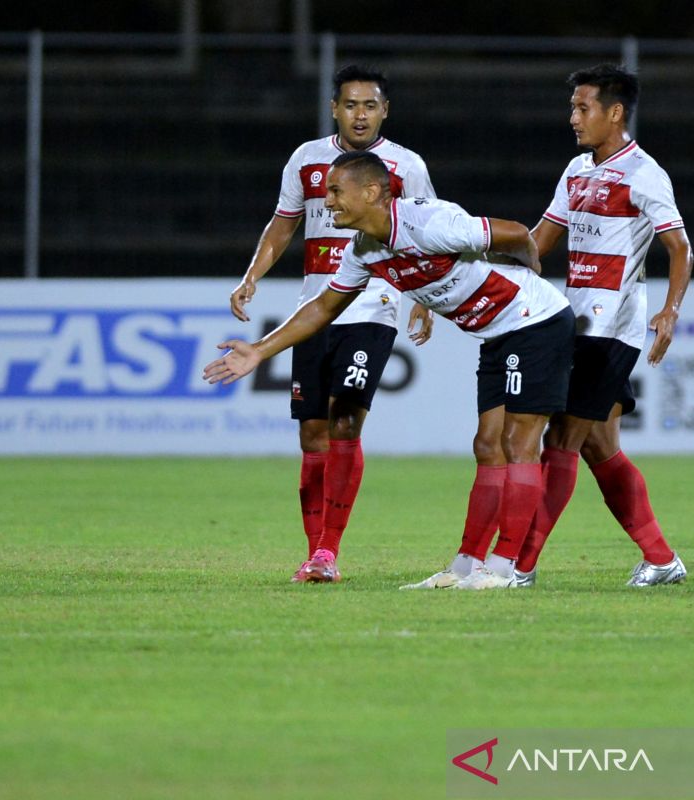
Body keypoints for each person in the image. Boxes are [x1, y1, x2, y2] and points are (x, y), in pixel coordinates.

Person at [204, 150, 576, 590]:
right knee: (486, 445)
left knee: (518, 442)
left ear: (372, 192)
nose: (328, 203)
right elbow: (323, 306)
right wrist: (260, 352)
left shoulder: (430, 222)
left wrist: (531, 271)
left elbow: (514, 232)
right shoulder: (364, 249)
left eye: (336, 191)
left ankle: (505, 568)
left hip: (537, 322)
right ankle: (465, 566)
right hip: (496, 334)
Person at [228, 65, 435, 584]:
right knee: (312, 434)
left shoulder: (405, 167)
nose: (360, 114)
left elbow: (430, 232)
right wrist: (252, 275)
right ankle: (314, 552)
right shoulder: (306, 159)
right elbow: (283, 223)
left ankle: (328, 551)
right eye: (350, 105)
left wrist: (424, 298)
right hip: (314, 307)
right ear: (334, 109)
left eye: (370, 105)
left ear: (385, 110)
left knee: (346, 420)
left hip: (373, 308)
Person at [511, 64, 694, 587]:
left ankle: (520, 566)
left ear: (615, 113)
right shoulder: (576, 171)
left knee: (561, 440)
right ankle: (661, 559)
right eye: (573, 107)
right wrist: (483, 269)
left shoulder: (644, 174)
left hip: (613, 329)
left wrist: (670, 309)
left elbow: (679, 246)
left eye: (582, 107)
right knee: (599, 446)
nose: (573, 117)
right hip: (575, 325)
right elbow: (538, 241)